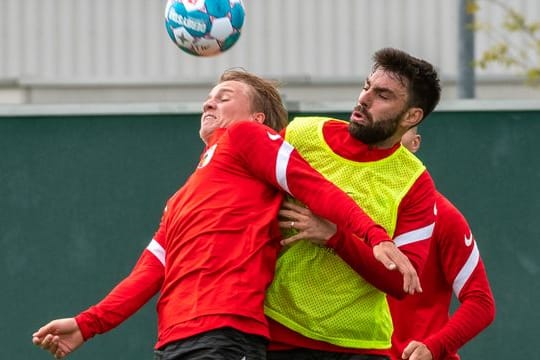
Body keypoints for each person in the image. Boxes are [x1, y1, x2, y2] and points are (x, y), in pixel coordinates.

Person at [31, 69, 417, 360]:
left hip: (226, 334)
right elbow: (148, 272)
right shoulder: (182, 196)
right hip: (173, 342)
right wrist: (87, 324)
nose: (208, 103)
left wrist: (374, 234)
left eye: (224, 96)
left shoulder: (247, 138)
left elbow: (312, 185)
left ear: (258, 119)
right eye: (209, 97)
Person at [264, 48, 441, 360]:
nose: (364, 99)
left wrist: (335, 236)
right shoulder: (300, 135)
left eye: (383, 95)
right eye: (366, 86)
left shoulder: (416, 182)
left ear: (412, 116)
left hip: (362, 346)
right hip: (278, 335)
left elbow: (401, 281)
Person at [388, 127, 495, 360]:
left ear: (415, 143)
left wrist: (433, 347)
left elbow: (481, 303)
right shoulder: (350, 210)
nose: (393, 138)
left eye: (402, 129)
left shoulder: (444, 216)